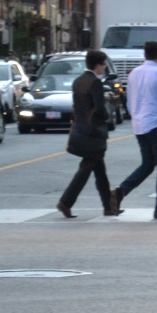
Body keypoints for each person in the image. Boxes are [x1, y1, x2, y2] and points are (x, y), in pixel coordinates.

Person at [111, 40, 157, 219]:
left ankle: (120, 192)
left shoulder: (133, 73)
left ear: (145, 54)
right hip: (156, 125)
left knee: (148, 164)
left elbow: (129, 101)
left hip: (139, 125)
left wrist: (136, 116)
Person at [57, 49, 120, 218]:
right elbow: (99, 109)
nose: (104, 68)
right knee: (85, 170)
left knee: (100, 170)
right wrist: (107, 117)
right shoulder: (95, 83)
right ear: (97, 65)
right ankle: (65, 202)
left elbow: (77, 107)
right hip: (94, 133)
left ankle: (108, 206)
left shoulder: (77, 81)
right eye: (104, 65)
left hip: (81, 129)